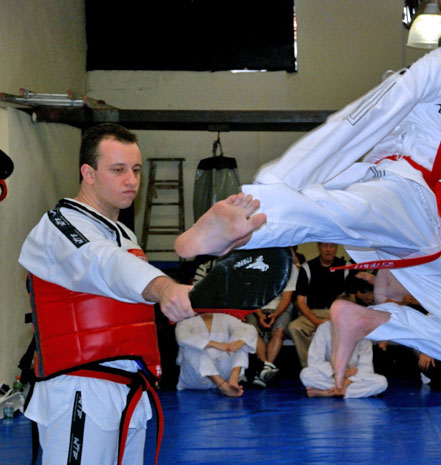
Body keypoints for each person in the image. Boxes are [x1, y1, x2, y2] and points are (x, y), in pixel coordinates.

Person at [177, 0, 441, 389]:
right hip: (399, 184)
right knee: (346, 211)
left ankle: (371, 320)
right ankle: (252, 217)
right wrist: (277, 180)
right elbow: (364, 118)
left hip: (429, 225)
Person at [18, 123, 266, 465]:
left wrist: (222, 248)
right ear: (88, 173)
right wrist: (164, 287)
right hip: (81, 389)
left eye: (135, 170)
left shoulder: (123, 234)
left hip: (130, 387)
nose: (131, 180)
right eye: (118, 170)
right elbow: (106, 265)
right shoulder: (60, 225)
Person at [288, 242, 348, 367]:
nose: (328, 250)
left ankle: (338, 366)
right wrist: (316, 321)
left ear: (336, 248)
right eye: (324, 246)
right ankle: (311, 366)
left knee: (347, 328)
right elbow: (300, 301)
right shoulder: (307, 268)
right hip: (312, 313)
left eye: (332, 246)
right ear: (318, 247)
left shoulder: (346, 267)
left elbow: (350, 298)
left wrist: (332, 317)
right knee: (294, 328)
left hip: (337, 314)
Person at [245, 258, 299, 386]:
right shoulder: (252, 265)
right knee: (252, 331)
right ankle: (265, 368)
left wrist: (275, 315)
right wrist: (259, 315)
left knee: (279, 331)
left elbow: (287, 298)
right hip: (255, 307)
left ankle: (263, 370)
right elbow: (250, 295)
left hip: (280, 308)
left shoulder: (290, 267)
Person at [175, 313, 257, 397]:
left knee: (241, 339)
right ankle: (221, 385)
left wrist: (240, 342)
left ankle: (233, 380)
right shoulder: (186, 321)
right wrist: (215, 344)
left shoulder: (224, 318)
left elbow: (250, 329)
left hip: (225, 376)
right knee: (191, 346)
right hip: (196, 377)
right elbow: (181, 337)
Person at [300, 321, 388, 398]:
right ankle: (352, 393)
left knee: (381, 382)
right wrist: (340, 375)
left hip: (353, 378)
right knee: (306, 374)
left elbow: (366, 367)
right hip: (332, 375)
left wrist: (346, 382)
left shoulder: (363, 333)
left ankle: (328, 393)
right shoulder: (324, 328)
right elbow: (315, 361)